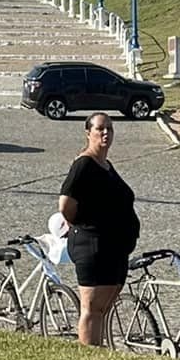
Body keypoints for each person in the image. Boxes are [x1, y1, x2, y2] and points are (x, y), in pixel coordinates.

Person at [59, 112, 140, 347]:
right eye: (100, 129)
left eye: (110, 129)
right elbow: (65, 204)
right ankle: (89, 355)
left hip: (113, 246)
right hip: (92, 245)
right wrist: (80, 222)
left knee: (102, 309)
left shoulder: (106, 165)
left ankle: (99, 351)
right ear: (88, 133)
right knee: (92, 308)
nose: (106, 133)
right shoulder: (84, 164)